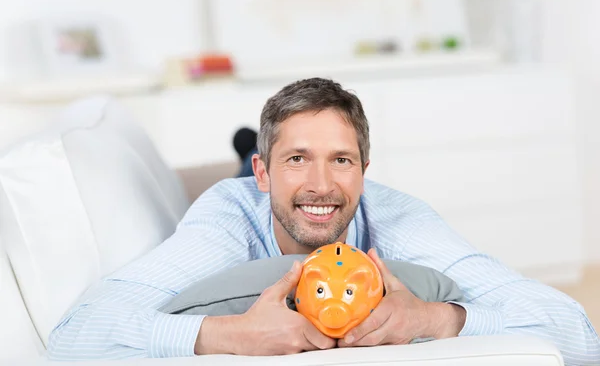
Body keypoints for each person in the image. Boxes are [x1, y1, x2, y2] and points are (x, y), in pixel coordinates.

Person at [47, 78, 599, 364]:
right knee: (249, 160)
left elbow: (579, 335)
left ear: (365, 171)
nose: (322, 184)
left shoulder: (398, 215)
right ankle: (248, 147)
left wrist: (438, 320)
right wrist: (227, 334)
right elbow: (74, 336)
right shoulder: (226, 216)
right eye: (297, 159)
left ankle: (253, 142)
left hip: (271, 177)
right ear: (265, 175)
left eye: (342, 160)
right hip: (249, 183)